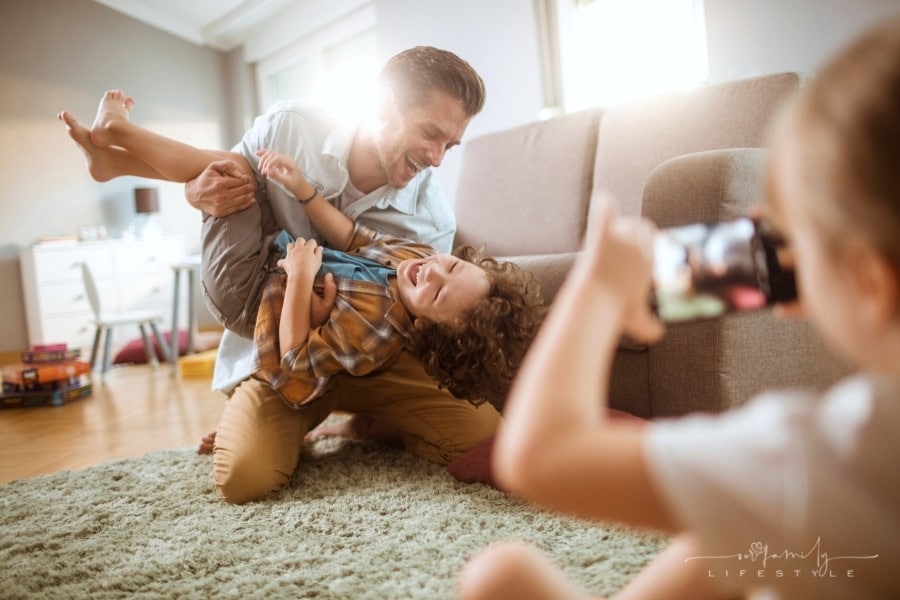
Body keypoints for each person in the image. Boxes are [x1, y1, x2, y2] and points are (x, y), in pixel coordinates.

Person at [458, 18, 900, 600]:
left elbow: (539, 456)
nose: (766, 239)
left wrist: (599, 290)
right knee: (728, 541)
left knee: (499, 578)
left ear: (870, 285)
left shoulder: (839, 454)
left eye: (799, 242)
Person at [62, 47, 512, 504]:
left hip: (371, 354)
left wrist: (302, 285)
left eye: (449, 146)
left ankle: (365, 424)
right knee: (246, 476)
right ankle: (113, 157)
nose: (437, 158)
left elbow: (421, 320)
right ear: (382, 105)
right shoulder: (292, 129)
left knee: (483, 434)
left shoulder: (431, 222)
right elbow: (224, 178)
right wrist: (200, 192)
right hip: (281, 347)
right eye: (430, 134)